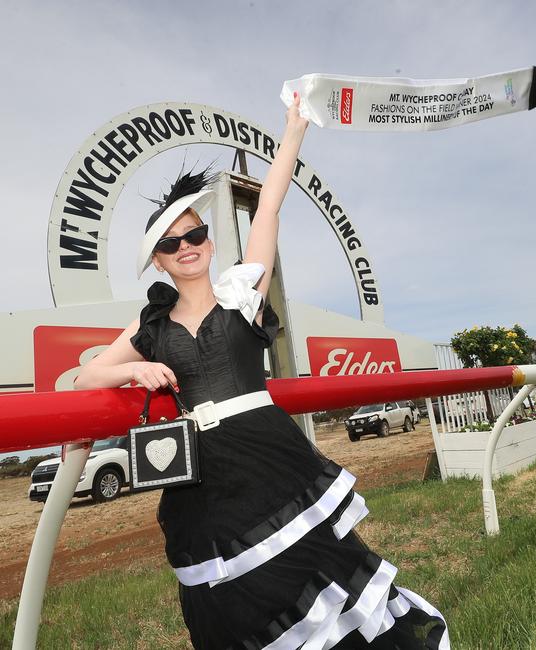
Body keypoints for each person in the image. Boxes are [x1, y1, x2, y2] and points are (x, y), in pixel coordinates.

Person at [75, 93, 448, 649]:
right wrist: (137, 371)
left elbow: (268, 209)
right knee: (235, 604)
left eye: (196, 234)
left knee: (312, 577)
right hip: (202, 485)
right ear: (158, 260)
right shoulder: (149, 324)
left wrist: (293, 130)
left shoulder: (240, 293)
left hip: (269, 461)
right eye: (171, 243)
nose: (187, 247)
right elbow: (83, 380)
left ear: (210, 239)